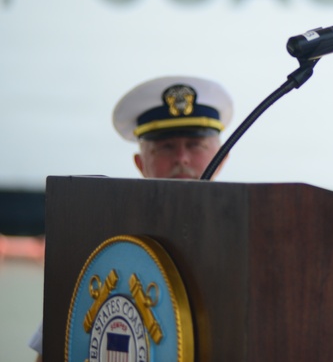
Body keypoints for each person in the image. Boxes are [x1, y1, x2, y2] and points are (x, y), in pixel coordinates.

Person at [27, 75, 234, 360]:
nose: (182, 158)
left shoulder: (243, 245)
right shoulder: (102, 246)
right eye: (166, 147)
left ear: (222, 157)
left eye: (196, 144)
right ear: (140, 163)